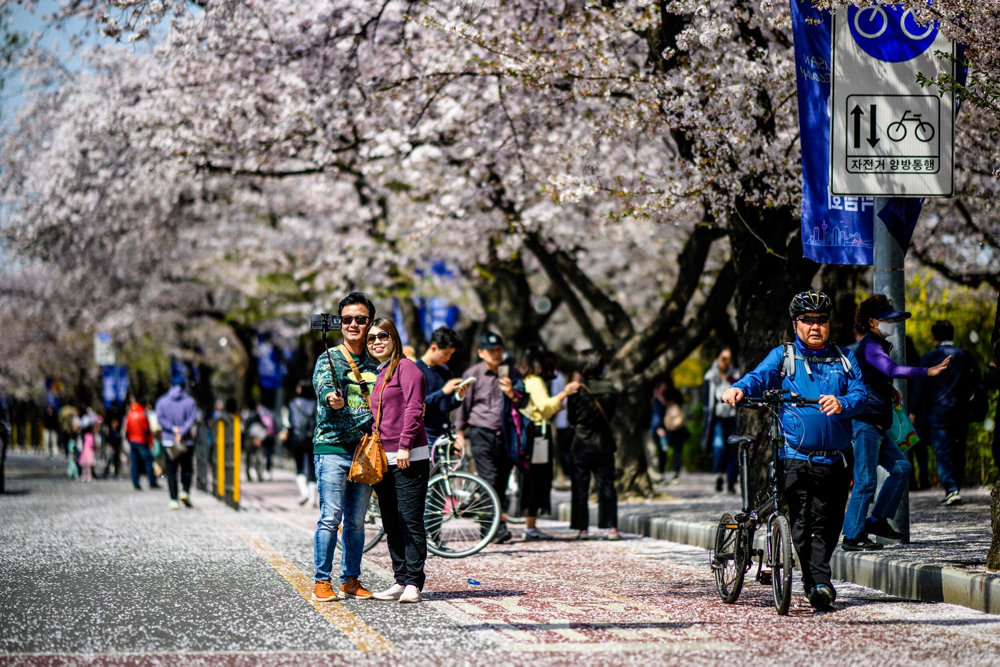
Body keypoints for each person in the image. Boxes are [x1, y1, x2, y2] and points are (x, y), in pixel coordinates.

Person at [722, 290, 867, 612]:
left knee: (829, 524)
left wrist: (843, 402)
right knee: (801, 520)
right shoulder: (784, 356)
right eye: (808, 321)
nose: (815, 327)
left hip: (838, 457)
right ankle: (817, 583)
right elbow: (758, 377)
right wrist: (739, 388)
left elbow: (861, 393)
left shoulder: (844, 358)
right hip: (796, 456)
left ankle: (817, 578)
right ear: (795, 324)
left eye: (822, 321)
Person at [842, 296, 950, 551]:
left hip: (878, 425)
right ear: (872, 322)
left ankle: (877, 520)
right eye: (887, 320)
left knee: (901, 467)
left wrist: (888, 389)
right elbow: (889, 368)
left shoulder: (876, 344)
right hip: (865, 423)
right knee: (866, 480)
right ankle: (852, 537)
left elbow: (872, 377)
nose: (892, 325)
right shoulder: (870, 345)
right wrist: (927, 371)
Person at [311, 292, 377, 603]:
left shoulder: (377, 361)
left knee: (356, 520)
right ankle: (321, 580)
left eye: (360, 319)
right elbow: (324, 385)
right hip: (332, 447)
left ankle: (351, 578)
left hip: (364, 450)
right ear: (339, 323)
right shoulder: (328, 358)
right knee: (330, 516)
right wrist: (331, 398)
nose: (353, 324)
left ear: (369, 323)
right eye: (347, 319)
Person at [366, 318, 429, 603]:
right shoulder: (380, 373)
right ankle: (400, 579)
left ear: (394, 339)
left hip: (409, 456)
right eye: (371, 339)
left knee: (410, 520)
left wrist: (404, 446)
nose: (377, 342)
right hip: (383, 459)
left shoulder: (407, 368)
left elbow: (415, 409)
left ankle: (414, 582)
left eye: (383, 336)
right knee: (391, 521)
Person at [453, 331, 529, 545]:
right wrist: (459, 434)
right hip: (481, 433)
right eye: (491, 351)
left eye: (499, 350)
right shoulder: (473, 373)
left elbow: (523, 403)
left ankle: (488, 528)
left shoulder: (512, 373)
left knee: (502, 483)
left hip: (506, 435)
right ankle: (498, 528)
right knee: (489, 479)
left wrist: (512, 392)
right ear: (481, 352)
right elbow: (463, 406)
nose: (496, 355)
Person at [911, 319, 981, 506]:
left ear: (934, 337)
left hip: (938, 410)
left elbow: (920, 387)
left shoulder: (929, 358)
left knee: (942, 449)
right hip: (961, 410)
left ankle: (951, 488)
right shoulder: (965, 355)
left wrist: (914, 411)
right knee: (959, 448)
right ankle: (956, 485)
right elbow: (975, 383)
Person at [517, 345, 579, 540]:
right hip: (538, 434)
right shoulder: (535, 381)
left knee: (532, 479)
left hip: (532, 432)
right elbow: (544, 406)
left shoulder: (527, 380)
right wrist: (564, 393)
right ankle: (530, 526)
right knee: (537, 479)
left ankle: (531, 525)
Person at [567, 350, 620, 541]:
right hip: (604, 443)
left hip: (581, 443)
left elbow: (571, 418)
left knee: (580, 487)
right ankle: (611, 527)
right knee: (606, 485)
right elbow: (612, 414)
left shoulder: (576, 390)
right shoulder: (610, 388)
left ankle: (582, 528)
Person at [414, 326, 466, 445]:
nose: (448, 358)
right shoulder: (416, 370)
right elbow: (417, 404)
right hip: (425, 434)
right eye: (446, 353)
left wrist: (458, 396)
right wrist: (443, 392)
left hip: (444, 433)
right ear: (434, 348)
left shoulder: (444, 370)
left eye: (451, 354)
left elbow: (446, 405)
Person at [155, 376, 198, 510]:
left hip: (168, 440)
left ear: (171, 386)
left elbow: (160, 418)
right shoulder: (190, 401)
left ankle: (174, 499)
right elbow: (192, 419)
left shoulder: (162, 401)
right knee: (187, 468)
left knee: (171, 470)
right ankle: (185, 491)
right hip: (186, 441)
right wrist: (183, 431)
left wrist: (173, 429)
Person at [702, 348, 741, 494]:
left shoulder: (735, 375)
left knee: (732, 449)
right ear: (717, 359)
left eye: (728, 359)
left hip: (731, 417)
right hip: (717, 418)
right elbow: (706, 400)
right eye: (723, 358)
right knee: (719, 447)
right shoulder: (710, 376)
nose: (725, 362)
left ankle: (731, 481)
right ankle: (718, 475)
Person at [286, 380, 318, 506]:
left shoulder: (293, 403)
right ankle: (312, 498)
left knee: (299, 466)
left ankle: (303, 492)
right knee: (311, 466)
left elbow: (290, 421)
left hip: (297, 437)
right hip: (311, 438)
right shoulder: (315, 403)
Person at [125, 395, 158, 490]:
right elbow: (146, 429)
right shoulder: (142, 413)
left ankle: (136, 483)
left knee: (134, 463)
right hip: (142, 441)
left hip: (132, 441)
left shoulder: (130, 413)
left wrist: (129, 440)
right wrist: (149, 441)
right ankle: (152, 482)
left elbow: (127, 429)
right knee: (148, 461)